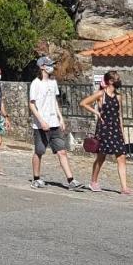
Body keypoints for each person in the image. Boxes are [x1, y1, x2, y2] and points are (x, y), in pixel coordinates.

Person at [29, 56, 85, 190]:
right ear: (42, 67)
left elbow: (54, 101)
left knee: (62, 151)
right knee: (39, 152)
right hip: (41, 125)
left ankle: (71, 180)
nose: (52, 67)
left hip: (54, 123)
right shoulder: (35, 83)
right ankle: (36, 178)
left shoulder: (53, 82)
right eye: (49, 65)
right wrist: (41, 121)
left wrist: (60, 118)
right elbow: (32, 105)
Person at [80, 70, 133, 195]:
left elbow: (120, 116)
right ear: (110, 81)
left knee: (122, 157)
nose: (119, 80)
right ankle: (93, 181)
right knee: (101, 157)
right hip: (104, 129)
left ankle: (124, 188)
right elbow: (83, 103)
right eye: (117, 78)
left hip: (116, 129)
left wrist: (122, 132)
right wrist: (96, 112)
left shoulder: (118, 96)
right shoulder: (101, 94)